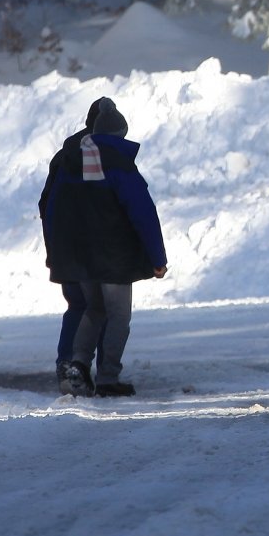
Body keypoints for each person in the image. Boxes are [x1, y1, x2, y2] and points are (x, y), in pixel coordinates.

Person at [39, 97, 168, 397]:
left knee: (91, 308)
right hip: (114, 258)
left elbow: (50, 206)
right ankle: (108, 376)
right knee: (118, 316)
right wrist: (157, 257)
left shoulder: (71, 159)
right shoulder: (117, 162)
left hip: (78, 255)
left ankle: (76, 364)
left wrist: (58, 251)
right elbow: (143, 213)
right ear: (119, 133)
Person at [37, 96, 117, 388]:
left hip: (62, 245)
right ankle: (96, 370)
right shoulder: (102, 153)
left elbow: (46, 204)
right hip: (92, 247)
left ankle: (67, 364)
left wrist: (53, 246)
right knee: (100, 305)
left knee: (77, 305)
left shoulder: (65, 154)